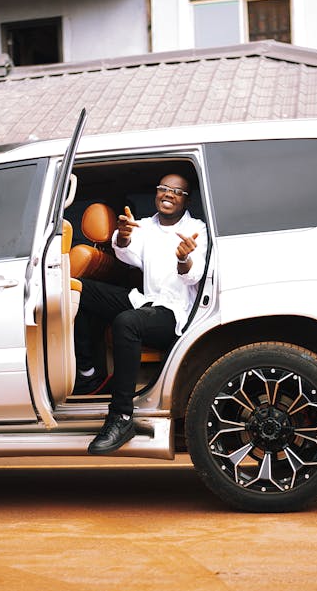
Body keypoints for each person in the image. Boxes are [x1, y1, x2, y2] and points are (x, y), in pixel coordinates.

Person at [74, 173, 207, 455]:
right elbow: (127, 254)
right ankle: (88, 375)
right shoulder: (145, 225)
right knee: (77, 289)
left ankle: (121, 417)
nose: (168, 194)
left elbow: (193, 276)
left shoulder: (197, 229)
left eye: (177, 191)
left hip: (176, 314)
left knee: (127, 323)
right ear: (156, 193)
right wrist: (122, 237)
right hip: (145, 301)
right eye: (163, 189)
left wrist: (183, 258)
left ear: (186, 199)